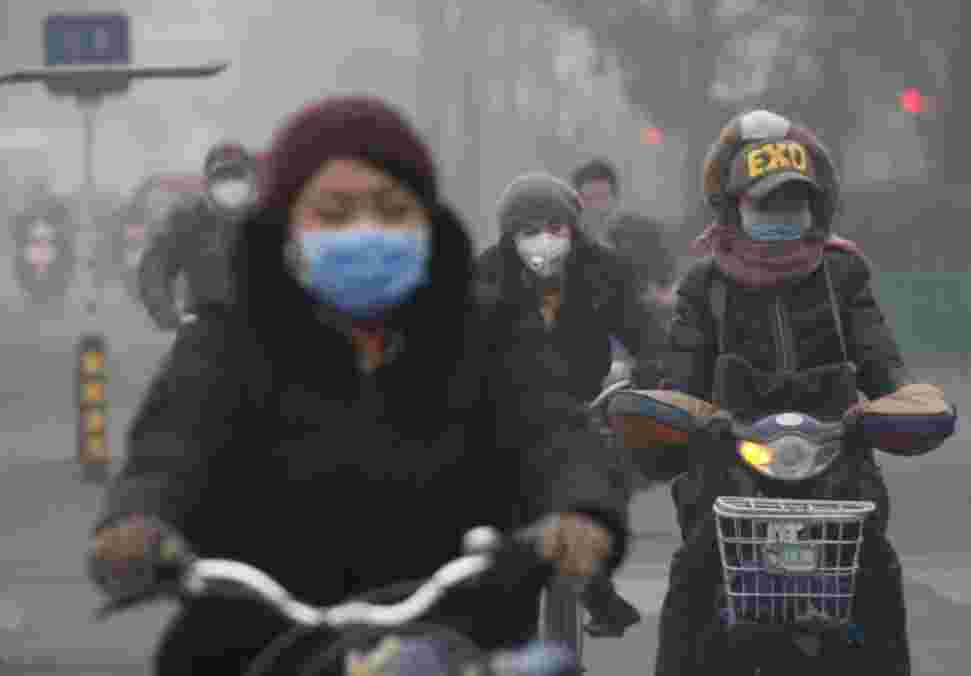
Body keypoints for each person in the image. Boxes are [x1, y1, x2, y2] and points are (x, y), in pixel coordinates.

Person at [87, 95, 630, 675]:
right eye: (336, 212)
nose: (365, 231)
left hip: (462, 634)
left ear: (424, 220)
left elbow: (554, 432)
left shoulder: (489, 330)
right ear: (289, 228)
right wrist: (136, 523)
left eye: (390, 209)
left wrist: (582, 513)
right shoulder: (228, 337)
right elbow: (167, 450)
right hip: (255, 642)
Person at [646, 109, 926, 675]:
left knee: (874, 563)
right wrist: (678, 412)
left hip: (837, 467)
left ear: (815, 208)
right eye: (766, 204)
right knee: (697, 568)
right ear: (734, 210)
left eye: (794, 203)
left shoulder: (843, 275)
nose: (782, 216)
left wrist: (904, 399)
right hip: (728, 469)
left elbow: (880, 360)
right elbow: (680, 376)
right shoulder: (704, 285)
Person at [475, 172, 670, 638]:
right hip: (509, 409)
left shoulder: (606, 269)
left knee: (591, 487)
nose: (544, 240)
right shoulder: (485, 273)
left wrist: (654, 370)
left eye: (555, 228)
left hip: (586, 404)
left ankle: (596, 583)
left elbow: (645, 334)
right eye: (529, 231)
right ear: (509, 238)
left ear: (572, 230)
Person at [136, 141, 260, 331]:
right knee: (179, 360)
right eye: (222, 177)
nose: (231, 185)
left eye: (237, 176)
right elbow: (155, 265)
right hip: (203, 331)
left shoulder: (269, 221)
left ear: (250, 181)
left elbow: (299, 272)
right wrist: (165, 310)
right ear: (208, 184)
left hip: (261, 335)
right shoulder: (189, 221)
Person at [570, 159, 677, 309]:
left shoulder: (646, 237)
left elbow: (669, 290)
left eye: (602, 197)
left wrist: (659, 297)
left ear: (615, 199)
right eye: (588, 199)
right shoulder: (566, 244)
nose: (596, 207)